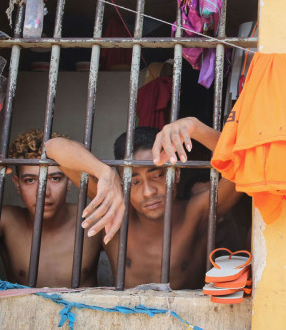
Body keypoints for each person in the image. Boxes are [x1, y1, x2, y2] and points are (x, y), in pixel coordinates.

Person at [46, 117, 241, 289]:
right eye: (134, 181)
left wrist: (194, 126)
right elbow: (52, 147)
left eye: (157, 175)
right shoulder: (115, 209)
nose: (148, 192)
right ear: (122, 181)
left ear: (177, 173)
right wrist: (102, 171)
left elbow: (243, 163)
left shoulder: (197, 212)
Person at [0, 129, 118, 287]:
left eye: (55, 178)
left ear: (69, 181)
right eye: (30, 180)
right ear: (17, 183)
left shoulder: (92, 218)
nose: (43, 191)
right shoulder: (6, 221)